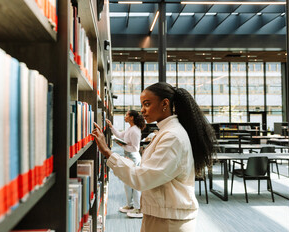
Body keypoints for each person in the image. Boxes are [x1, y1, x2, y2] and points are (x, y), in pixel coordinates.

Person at [92, 82, 216, 232]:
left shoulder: (172, 137)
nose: (142, 110)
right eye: (142, 105)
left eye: (147, 104)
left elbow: (142, 179)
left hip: (169, 221)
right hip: (165, 215)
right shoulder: (167, 131)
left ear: (165, 104)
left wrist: (107, 152)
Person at [106, 110, 146, 218]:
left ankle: (138, 209)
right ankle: (130, 205)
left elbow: (135, 148)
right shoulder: (130, 128)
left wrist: (122, 145)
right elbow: (120, 134)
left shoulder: (135, 130)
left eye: (127, 115)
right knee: (127, 181)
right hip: (128, 156)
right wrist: (111, 126)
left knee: (134, 182)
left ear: (132, 117)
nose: (125, 116)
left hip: (133, 157)